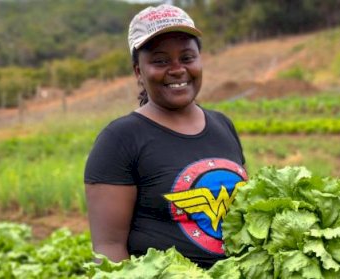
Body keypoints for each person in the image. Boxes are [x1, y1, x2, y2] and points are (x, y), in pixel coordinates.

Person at [83, 4, 247, 268]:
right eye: (160, 61)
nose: (177, 69)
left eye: (187, 57)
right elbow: (108, 248)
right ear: (139, 71)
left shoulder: (222, 125)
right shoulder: (119, 139)